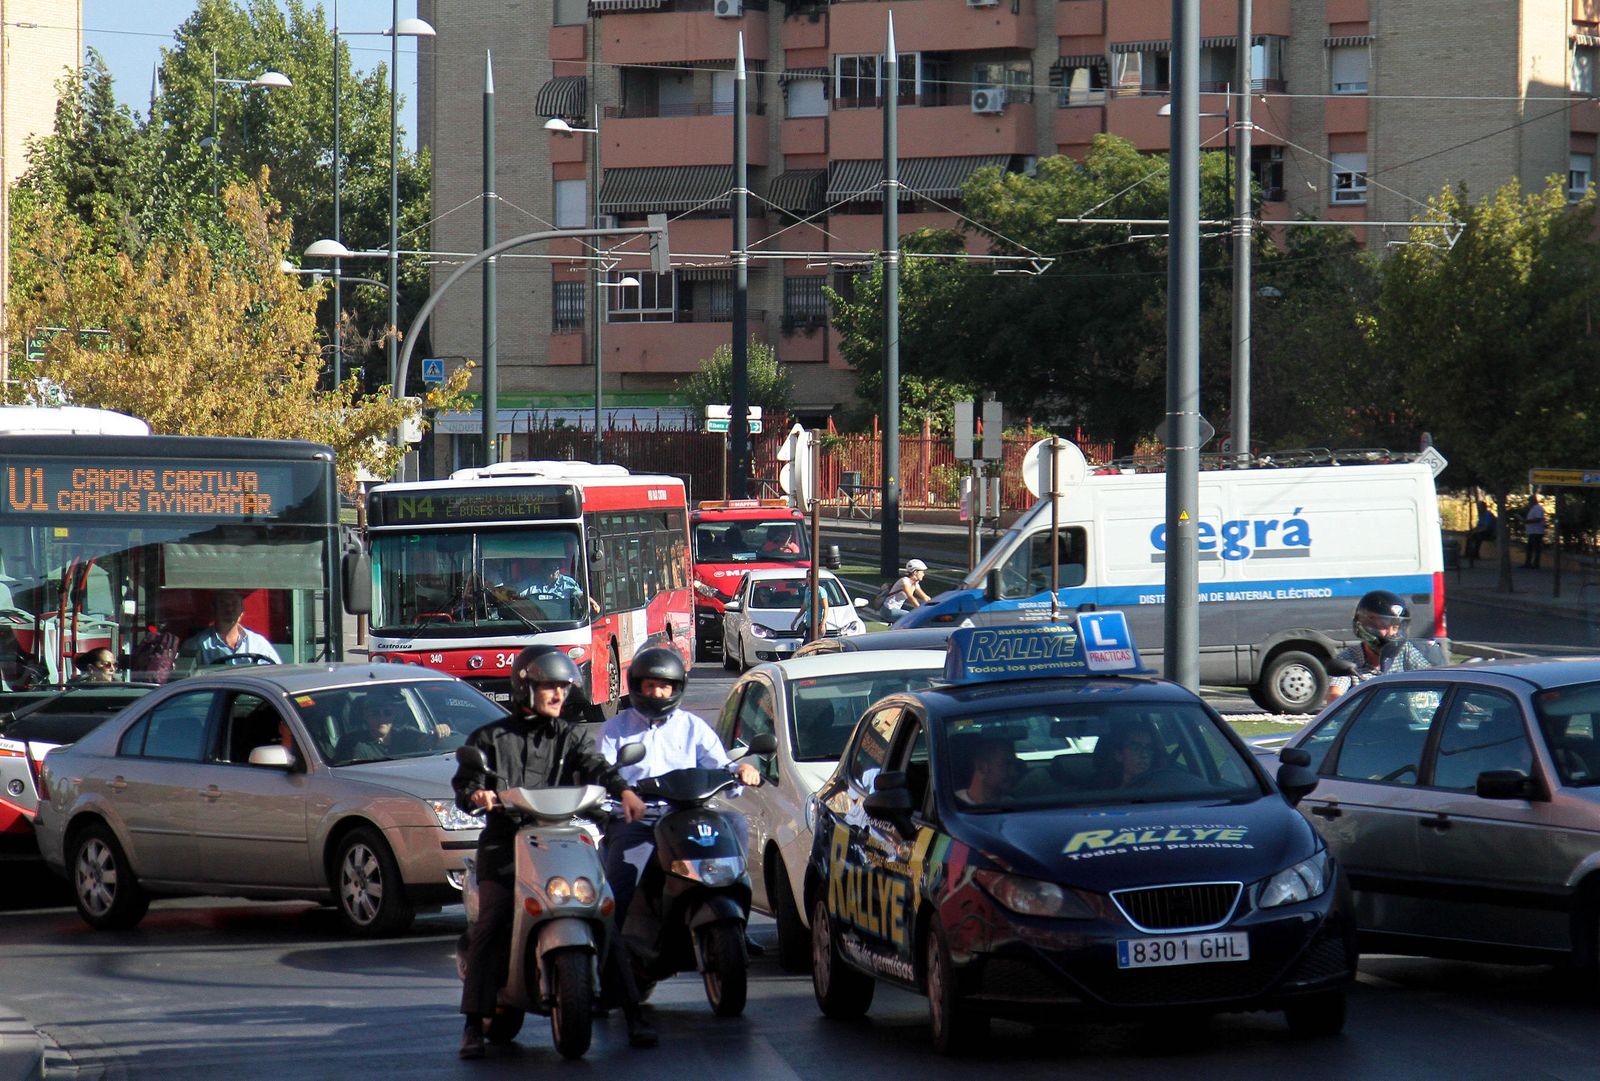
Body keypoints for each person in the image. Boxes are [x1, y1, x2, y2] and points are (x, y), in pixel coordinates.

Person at [452, 645, 650, 1059]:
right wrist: (479, 795)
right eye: (549, 687)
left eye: (562, 687)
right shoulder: (489, 738)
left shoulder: (571, 736)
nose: (558, 695)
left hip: (562, 838)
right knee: (493, 920)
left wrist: (624, 792)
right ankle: (473, 1023)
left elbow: (597, 766)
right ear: (526, 688)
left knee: (604, 911)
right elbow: (465, 787)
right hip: (506, 844)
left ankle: (633, 1012)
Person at [598, 647, 761, 938]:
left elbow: (720, 764)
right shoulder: (615, 729)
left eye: (664, 686)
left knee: (733, 826)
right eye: (651, 685)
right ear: (637, 687)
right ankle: (611, 947)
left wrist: (740, 771)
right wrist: (618, 794)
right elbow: (601, 772)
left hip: (688, 814)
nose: (658, 693)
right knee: (623, 878)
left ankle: (736, 925)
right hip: (640, 820)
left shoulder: (692, 726)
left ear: (676, 688)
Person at [1325, 590, 1436, 702]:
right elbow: (1334, 693)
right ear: (1366, 626)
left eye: (1395, 627)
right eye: (1384, 626)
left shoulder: (1406, 651)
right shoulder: (1349, 659)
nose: (1392, 634)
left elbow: (1431, 676)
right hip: (1367, 717)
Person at [185, 591, 281, 666]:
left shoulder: (259, 643)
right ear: (214, 609)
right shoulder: (197, 645)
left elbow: (277, 674)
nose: (230, 608)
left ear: (242, 610)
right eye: (224, 604)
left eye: (234, 603)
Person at [955, 738, 1023, 804]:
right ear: (981, 767)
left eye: (1015, 765)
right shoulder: (953, 804)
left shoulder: (1013, 804)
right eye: (1006, 765)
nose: (1014, 773)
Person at [1094, 724, 1163, 788]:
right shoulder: (1099, 790)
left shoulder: (1162, 786)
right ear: (1118, 755)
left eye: (1148, 748)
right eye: (1136, 748)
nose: (1144, 755)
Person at [1524, 494, 1547, 569]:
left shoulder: (1538, 508)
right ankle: (1528, 563)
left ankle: (1536, 564)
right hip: (1532, 531)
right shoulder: (1533, 508)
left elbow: (1538, 519)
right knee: (1530, 548)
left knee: (1536, 548)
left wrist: (1528, 521)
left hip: (1536, 532)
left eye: (1529, 501)